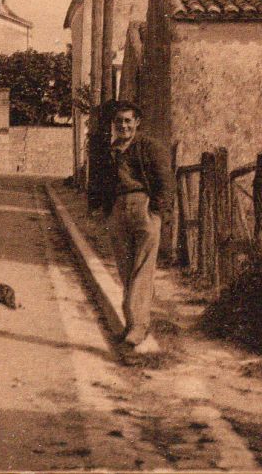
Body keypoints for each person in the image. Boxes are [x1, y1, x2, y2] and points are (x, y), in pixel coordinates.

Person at [88, 101, 173, 353]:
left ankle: (138, 328)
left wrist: (156, 212)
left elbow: (165, 181)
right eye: (119, 122)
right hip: (118, 209)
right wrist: (101, 210)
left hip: (143, 206)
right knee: (126, 271)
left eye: (128, 121)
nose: (123, 126)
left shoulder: (148, 147)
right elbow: (98, 182)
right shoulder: (110, 151)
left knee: (142, 270)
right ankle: (131, 324)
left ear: (137, 122)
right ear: (114, 125)